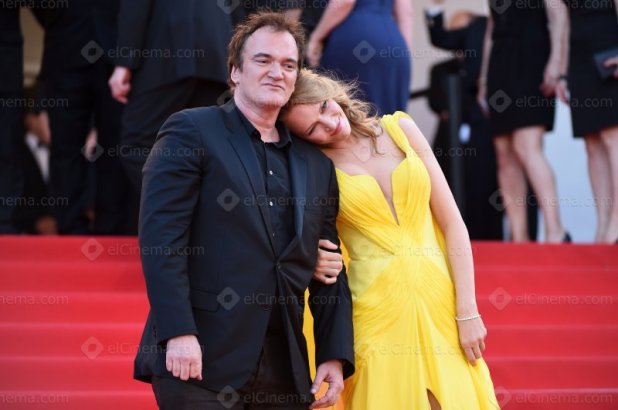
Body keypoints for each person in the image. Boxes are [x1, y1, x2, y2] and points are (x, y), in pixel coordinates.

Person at [134, 12, 354, 410]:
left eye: (288, 64)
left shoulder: (316, 165)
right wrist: (178, 332)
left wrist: (333, 354)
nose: (277, 72)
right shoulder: (191, 130)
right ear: (235, 71)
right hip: (201, 359)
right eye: (263, 60)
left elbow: (330, 265)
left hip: (284, 365)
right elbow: (161, 240)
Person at [282, 69, 497, 409]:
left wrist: (467, 309)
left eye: (323, 107)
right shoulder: (315, 167)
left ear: (332, 93)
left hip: (440, 298)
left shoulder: (401, 129)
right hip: (373, 312)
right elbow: (292, 235)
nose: (329, 123)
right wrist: (311, 258)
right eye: (313, 129)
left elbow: (453, 223)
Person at [478, 0, 570, 243]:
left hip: (531, 59)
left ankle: (555, 230)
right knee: (504, 154)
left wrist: (557, 62)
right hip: (500, 64)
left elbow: (559, 14)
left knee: (527, 147)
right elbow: (491, 29)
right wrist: (484, 79)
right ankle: (519, 237)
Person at [557, 0, 618, 243]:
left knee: (612, 138)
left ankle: (616, 221)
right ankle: (603, 222)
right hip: (579, 59)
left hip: (608, 52)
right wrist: (562, 73)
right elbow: (565, 24)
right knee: (591, 143)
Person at [305, 0, 412, 115]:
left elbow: (345, 2)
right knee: (391, 119)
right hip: (393, 41)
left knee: (352, 112)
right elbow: (406, 12)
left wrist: (316, 37)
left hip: (356, 35)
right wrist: (403, 52)